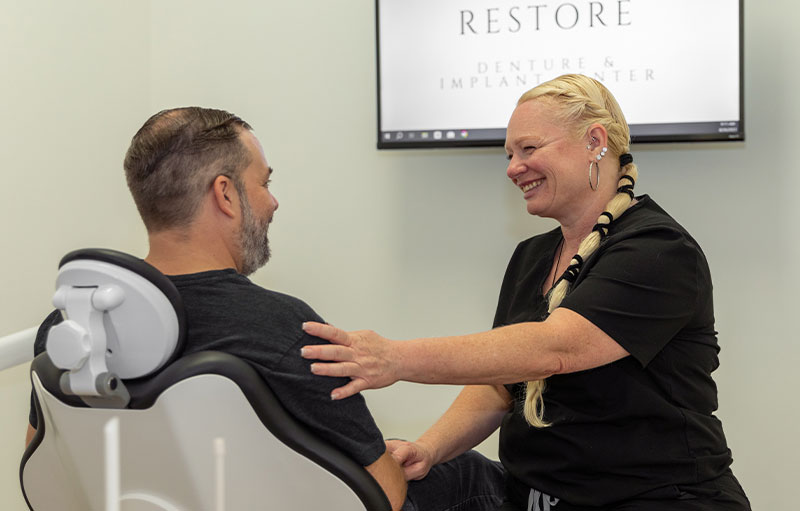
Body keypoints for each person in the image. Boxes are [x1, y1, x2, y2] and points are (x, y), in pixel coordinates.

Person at [300, 75, 751, 510]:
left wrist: (395, 358)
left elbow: (555, 349)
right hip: (535, 495)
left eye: (529, 149)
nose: (513, 168)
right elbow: (503, 383)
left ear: (595, 141)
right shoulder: (532, 256)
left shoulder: (658, 250)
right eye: (510, 154)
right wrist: (429, 448)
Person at [26, 107, 407, 510]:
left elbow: (47, 473)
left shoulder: (73, 329)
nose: (273, 202)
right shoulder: (283, 327)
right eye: (264, 183)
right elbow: (384, 492)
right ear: (225, 194)